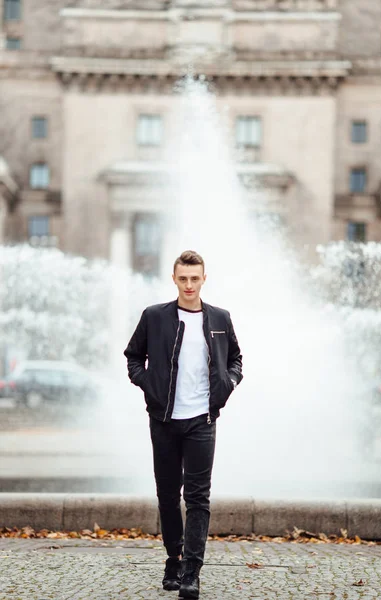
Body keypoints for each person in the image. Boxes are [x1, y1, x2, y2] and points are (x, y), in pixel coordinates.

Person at [124, 250, 243, 599]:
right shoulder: (154, 316)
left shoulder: (220, 317)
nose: (189, 285)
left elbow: (236, 358)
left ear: (204, 279)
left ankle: (191, 571)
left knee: (197, 498)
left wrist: (228, 384)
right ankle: (173, 558)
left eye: (195, 278)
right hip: (163, 420)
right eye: (183, 278)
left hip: (202, 420)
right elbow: (133, 356)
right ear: (174, 279)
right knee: (166, 495)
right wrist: (149, 384)